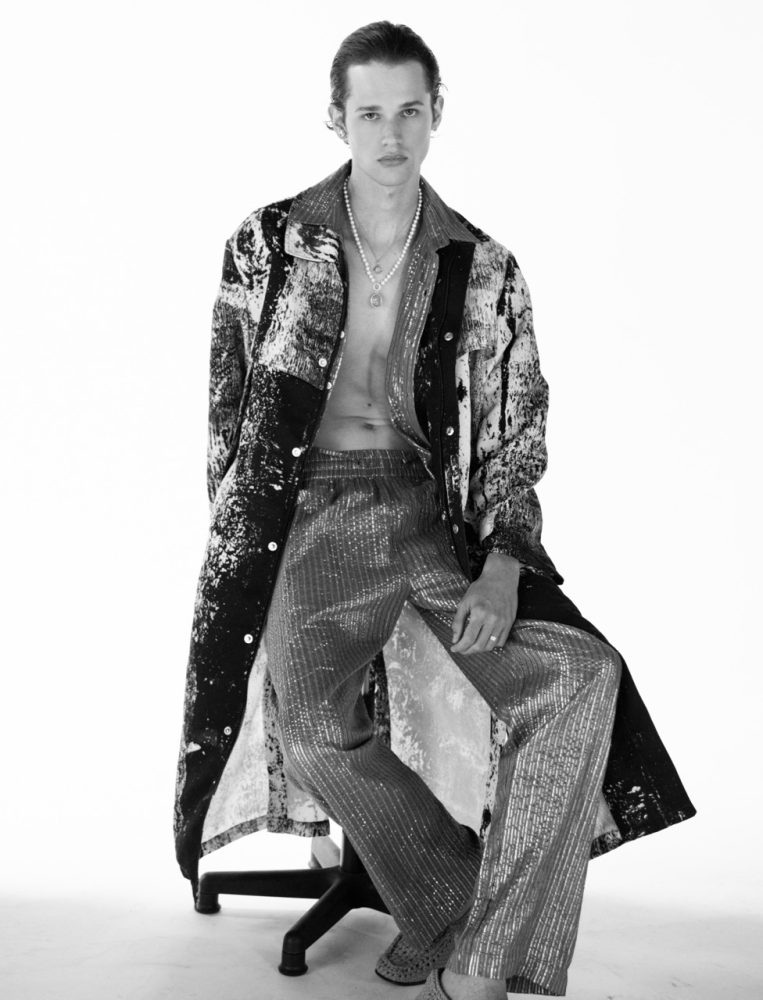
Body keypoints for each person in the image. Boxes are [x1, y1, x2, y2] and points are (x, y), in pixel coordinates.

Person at [173, 21, 697, 999]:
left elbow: (515, 431)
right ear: (336, 118)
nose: (390, 133)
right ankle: (449, 897)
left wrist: (503, 562)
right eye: (370, 112)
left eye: (408, 110)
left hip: (428, 517)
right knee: (310, 729)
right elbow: (227, 411)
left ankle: (482, 960)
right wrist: (249, 555)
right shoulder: (268, 242)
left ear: (435, 114)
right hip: (307, 515)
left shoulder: (483, 267)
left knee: (580, 678)